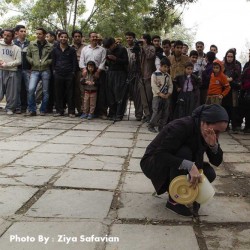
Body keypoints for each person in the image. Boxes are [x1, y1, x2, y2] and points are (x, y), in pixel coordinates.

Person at [140, 104, 229, 216]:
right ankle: (174, 200)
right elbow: (160, 155)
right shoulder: (181, 126)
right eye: (216, 131)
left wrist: (213, 145)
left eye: (221, 132)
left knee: (209, 174)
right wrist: (189, 166)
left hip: (177, 162)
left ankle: (189, 194)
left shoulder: (208, 132)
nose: (216, 135)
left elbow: (216, 161)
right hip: (154, 163)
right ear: (204, 122)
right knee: (184, 152)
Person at [79, 31, 107, 119]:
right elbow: (81, 60)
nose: (94, 38)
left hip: (98, 73)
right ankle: (85, 111)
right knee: (86, 94)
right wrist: (84, 69)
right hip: (86, 73)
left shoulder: (102, 49)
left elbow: (103, 61)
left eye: (96, 37)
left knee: (100, 93)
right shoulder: (85, 49)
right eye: (92, 37)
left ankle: (100, 112)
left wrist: (98, 71)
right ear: (89, 38)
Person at [26, 27, 53, 116]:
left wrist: (46, 62)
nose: (38, 35)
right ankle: (32, 109)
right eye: (37, 34)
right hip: (35, 70)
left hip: (46, 70)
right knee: (31, 89)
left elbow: (53, 58)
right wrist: (32, 61)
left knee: (45, 91)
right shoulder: (31, 44)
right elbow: (28, 56)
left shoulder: (50, 46)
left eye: (40, 34)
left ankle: (43, 109)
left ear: (44, 35)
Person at [52, 31, 78, 117]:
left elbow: (74, 62)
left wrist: (73, 72)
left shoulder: (72, 50)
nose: (63, 38)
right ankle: (60, 111)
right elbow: (53, 62)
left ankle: (71, 111)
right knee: (58, 93)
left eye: (65, 37)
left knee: (70, 93)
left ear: (68, 39)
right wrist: (54, 71)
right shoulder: (55, 49)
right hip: (58, 73)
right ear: (59, 38)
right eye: (61, 37)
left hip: (69, 74)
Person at [103, 37, 129, 121]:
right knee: (110, 94)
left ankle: (119, 114)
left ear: (114, 43)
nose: (109, 48)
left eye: (110, 46)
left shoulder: (122, 49)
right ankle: (112, 112)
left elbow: (126, 61)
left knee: (119, 94)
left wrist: (116, 59)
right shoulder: (107, 50)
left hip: (120, 73)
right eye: (108, 47)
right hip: (110, 73)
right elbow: (107, 63)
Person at [148, 57, 173, 133]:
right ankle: (151, 125)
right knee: (156, 111)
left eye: (167, 67)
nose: (166, 69)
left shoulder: (168, 76)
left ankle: (161, 126)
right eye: (164, 66)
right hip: (157, 96)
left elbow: (170, 85)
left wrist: (169, 93)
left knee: (165, 112)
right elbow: (153, 85)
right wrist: (159, 93)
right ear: (160, 65)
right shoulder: (154, 74)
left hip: (166, 96)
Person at [0, 29, 21, 115]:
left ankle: (10, 108)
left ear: (12, 37)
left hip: (12, 71)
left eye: (8, 35)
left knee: (11, 92)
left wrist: (7, 64)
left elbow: (19, 61)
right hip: (0, 70)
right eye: (4, 35)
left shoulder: (16, 48)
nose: (6, 37)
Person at [222, 49, 241, 132]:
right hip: (224, 89)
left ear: (234, 57)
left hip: (233, 89)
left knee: (233, 108)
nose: (229, 58)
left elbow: (238, 78)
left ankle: (234, 125)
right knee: (224, 107)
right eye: (228, 56)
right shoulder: (223, 66)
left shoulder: (236, 66)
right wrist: (226, 79)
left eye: (231, 57)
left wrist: (231, 80)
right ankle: (225, 125)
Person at [125, 31, 143, 121]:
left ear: (134, 38)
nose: (128, 39)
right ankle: (121, 112)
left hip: (137, 74)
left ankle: (139, 114)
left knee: (137, 95)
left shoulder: (138, 49)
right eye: (127, 38)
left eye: (130, 38)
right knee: (125, 94)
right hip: (127, 73)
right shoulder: (125, 49)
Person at [13, 25, 31, 113]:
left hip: (27, 69)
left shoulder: (29, 43)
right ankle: (18, 107)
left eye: (24, 31)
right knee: (17, 89)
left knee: (29, 89)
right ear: (17, 33)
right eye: (21, 31)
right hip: (16, 69)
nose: (23, 33)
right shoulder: (13, 43)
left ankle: (29, 107)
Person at [139, 34, 156, 122]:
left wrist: (145, 46)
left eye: (142, 38)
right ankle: (147, 114)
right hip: (140, 76)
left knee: (149, 97)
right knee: (143, 98)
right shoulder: (140, 48)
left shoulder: (151, 47)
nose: (141, 39)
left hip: (149, 76)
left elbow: (149, 56)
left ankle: (152, 114)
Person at [71, 30, 85, 116]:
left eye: (79, 36)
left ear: (81, 37)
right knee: (75, 92)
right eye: (75, 36)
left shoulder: (86, 47)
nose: (77, 38)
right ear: (73, 38)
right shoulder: (69, 47)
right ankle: (79, 110)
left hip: (82, 71)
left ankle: (84, 110)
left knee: (83, 91)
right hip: (72, 72)